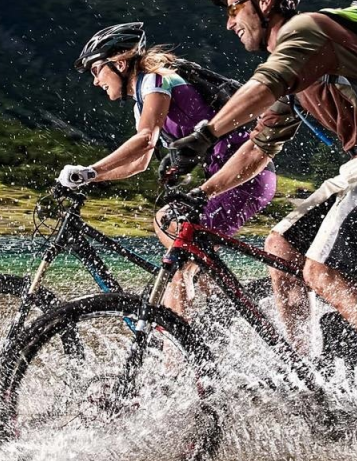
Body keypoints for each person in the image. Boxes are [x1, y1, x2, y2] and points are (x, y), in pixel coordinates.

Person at [160, 0, 357, 391]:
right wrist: (202, 192)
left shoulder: (306, 30)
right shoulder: (293, 72)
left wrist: (204, 135)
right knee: (282, 248)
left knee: (321, 271)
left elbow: (263, 86)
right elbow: (258, 148)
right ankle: (309, 372)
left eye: (235, 7)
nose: (230, 22)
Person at [57, 22, 277, 316]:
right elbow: (139, 162)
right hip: (231, 178)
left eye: (97, 70)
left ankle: (181, 345)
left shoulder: (155, 79)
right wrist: (91, 178)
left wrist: (89, 170)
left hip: (245, 174)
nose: (96, 81)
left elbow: (145, 139)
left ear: (120, 62)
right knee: (181, 246)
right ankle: (208, 307)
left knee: (170, 234)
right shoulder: (142, 98)